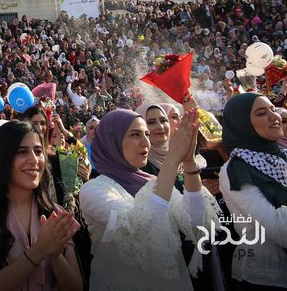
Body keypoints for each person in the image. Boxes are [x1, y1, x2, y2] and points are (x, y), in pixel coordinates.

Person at [79, 109, 219, 291]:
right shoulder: (94, 189)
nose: (146, 142)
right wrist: (172, 160)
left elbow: (195, 221)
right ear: (111, 141)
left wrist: (189, 162)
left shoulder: (153, 182)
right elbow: (140, 230)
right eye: (135, 134)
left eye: (146, 134)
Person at [0, 120, 83, 291]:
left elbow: (76, 286)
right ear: (3, 158)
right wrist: (39, 250)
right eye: (22, 152)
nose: (34, 160)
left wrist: (55, 255)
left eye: (38, 151)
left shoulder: (56, 214)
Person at [218, 93, 287, 290]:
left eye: (273, 109)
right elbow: (282, 231)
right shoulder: (236, 170)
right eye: (262, 113)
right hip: (270, 278)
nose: (275, 116)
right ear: (242, 124)